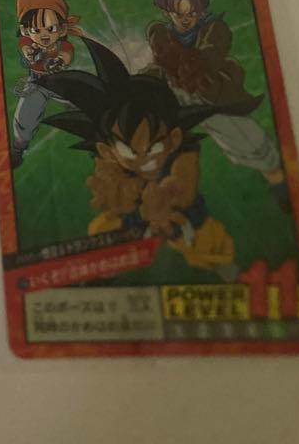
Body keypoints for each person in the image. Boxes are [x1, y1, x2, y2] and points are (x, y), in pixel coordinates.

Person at [40, 38, 243, 280]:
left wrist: (168, 198)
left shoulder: (182, 152)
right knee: (101, 231)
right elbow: (109, 186)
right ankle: (99, 274)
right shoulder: (109, 157)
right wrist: (123, 194)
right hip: (134, 216)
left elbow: (184, 180)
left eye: (153, 147)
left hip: (180, 214)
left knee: (208, 240)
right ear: (108, 150)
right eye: (129, 151)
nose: (144, 158)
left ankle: (224, 268)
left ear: (174, 138)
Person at [145, 0, 286, 208]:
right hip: (180, 94)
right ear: (168, 13)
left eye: (192, 13)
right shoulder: (163, 35)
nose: (186, 20)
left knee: (247, 141)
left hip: (213, 95)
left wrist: (189, 62)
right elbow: (158, 65)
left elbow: (211, 53)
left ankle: (279, 180)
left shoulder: (214, 28)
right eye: (179, 14)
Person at [10, 0, 80, 167]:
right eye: (37, 30)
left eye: (50, 29)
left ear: (62, 29)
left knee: (84, 105)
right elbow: (26, 48)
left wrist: (59, 61)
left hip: (61, 83)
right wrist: (31, 53)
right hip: (37, 84)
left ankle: (97, 143)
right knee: (25, 116)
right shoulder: (27, 42)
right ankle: (18, 148)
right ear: (25, 30)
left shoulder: (63, 46)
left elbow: (66, 54)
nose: (44, 35)